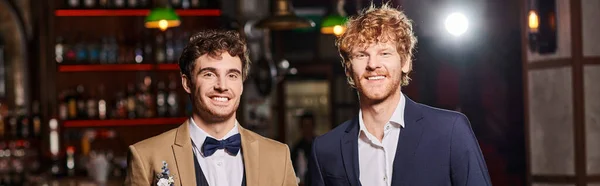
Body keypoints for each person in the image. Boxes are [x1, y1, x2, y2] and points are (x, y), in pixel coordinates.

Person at [308, 4, 491, 186]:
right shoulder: (325, 149)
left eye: (384, 53)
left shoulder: (450, 131)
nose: (373, 64)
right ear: (348, 68)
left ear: (405, 63)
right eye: (362, 55)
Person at [125, 30, 297, 186]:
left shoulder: (278, 157)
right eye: (209, 74)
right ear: (187, 83)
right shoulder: (146, 156)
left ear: (241, 84)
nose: (222, 86)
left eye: (232, 75)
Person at [291, 112, 316, 183]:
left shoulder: (319, 146)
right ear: (301, 127)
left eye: (309, 125)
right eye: (305, 125)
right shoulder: (296, 148)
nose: (307, 128)